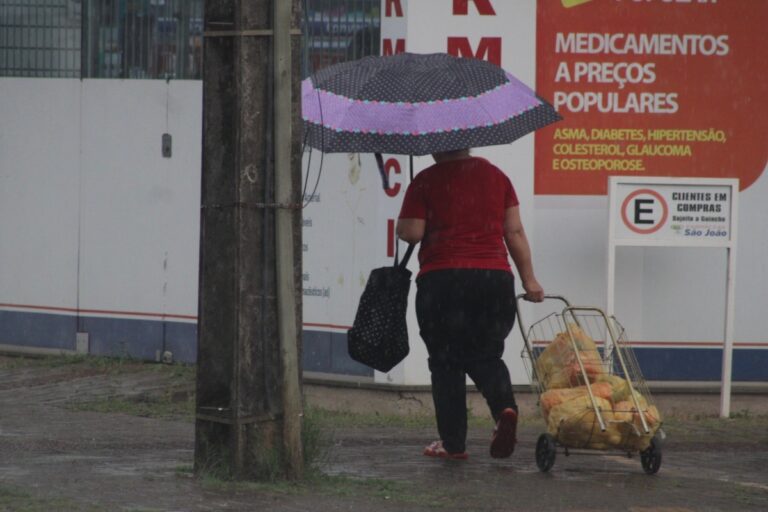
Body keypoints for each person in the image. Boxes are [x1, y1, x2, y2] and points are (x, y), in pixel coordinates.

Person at [396, 148, 544, 460]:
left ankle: (453, 444)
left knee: (445, 362)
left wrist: (403, 224)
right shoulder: (496, 177)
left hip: (443, 281)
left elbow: (412, 233)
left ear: (436, 146)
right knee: (486, 355)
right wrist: (529, 279)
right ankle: (505, 409)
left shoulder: (424, 180)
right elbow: (514, 231)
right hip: (493, 280)